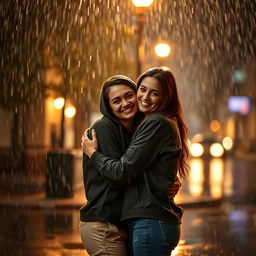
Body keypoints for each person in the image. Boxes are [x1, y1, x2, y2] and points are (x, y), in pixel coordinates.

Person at [81, 67, 189, 256]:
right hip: (103, 223)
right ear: (108, 106)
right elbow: (123, 174)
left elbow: (127, 170)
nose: (144, 97)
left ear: (165, 97)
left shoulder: (151, 124)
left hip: (141, 222)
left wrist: (166, 180)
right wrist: (93, 153)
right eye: (143, 89)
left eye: (128, 95)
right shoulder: (105, 128)